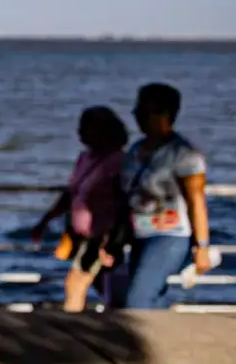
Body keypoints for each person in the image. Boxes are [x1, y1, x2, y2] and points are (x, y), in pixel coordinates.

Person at [116, 82, 213, 309]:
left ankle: (136, 342)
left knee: (137, 300)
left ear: (162, 112)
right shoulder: (135, 150)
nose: (135, 115)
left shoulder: (185, 155)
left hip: (170, 235)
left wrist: (202, 247)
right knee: (153, 299)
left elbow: (196, 202)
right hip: (139, 233)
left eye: (141, 110)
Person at [31, 106, 128, 311]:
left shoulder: (117, 161)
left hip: (101, 233)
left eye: (87, 128)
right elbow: (72, 193)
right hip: (80, 232)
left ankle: (71, 325)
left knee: (75, 282)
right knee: (101, 283)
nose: (80, 133)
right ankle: (125, 314)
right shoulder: (84, 159)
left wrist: (114, 239)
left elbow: (123, 200)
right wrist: (46, 219)